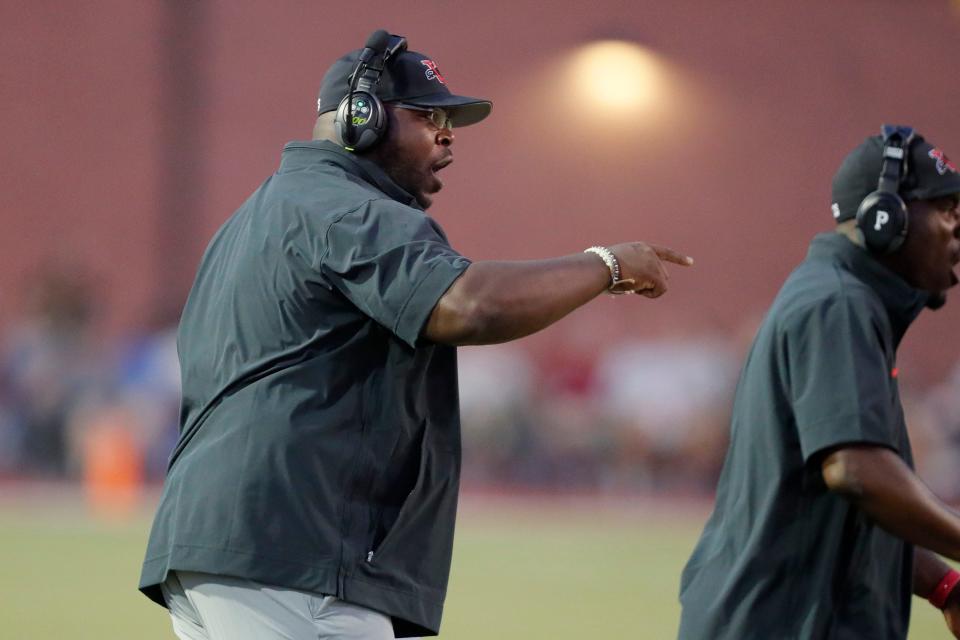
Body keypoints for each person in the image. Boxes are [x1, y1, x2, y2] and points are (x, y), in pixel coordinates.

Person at [139, 29, 693, 640]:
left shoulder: (262, 214)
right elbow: (467, 306)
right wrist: (605, 265)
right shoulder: (346, 207)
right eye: (429, 116)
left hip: (227, 551)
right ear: (362, 118)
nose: (447, 134)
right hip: (295, 554)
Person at [678, 126, 960, 639]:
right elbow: (858, 472)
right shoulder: (840, 306)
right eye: (945, 209)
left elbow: (851, 506)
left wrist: (944, 585)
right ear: (885, 219)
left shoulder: (845, 301)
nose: (957, 228)